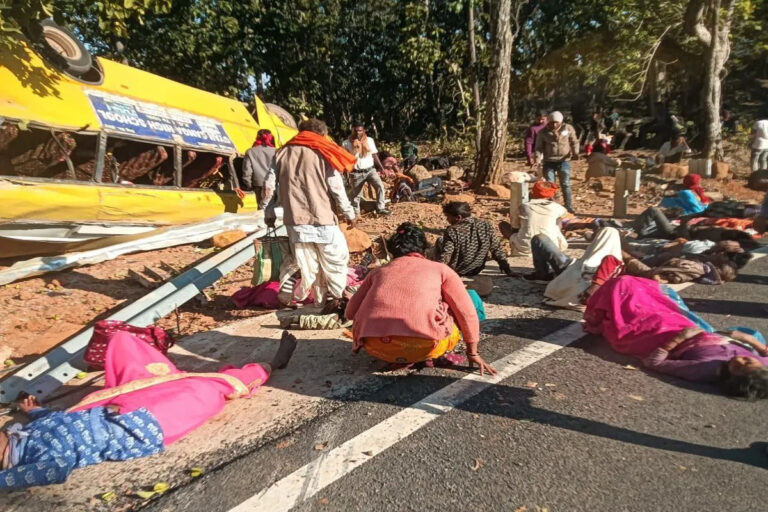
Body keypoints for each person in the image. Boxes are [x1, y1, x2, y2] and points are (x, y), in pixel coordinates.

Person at [0, 330, 298, 488]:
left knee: (121, 341)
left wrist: (35, 411)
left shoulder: (22, 435)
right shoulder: (35, 460)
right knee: (206, 389)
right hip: (142, 424)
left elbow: (57, 423)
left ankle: (165, 364)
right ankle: (269, 366)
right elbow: (56, 471)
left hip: (116, 402)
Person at [346, 223, 496, 375]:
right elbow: (466, 312)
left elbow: (350, 313)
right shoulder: (441, 270)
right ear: (424, 249)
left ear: (391, 252)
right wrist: (472, 353)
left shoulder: (377, 272)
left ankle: (401, 356)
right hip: (427, 347)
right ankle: (429, 354)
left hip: (376, 347)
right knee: (470, 298)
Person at [584, 275, 768, 399]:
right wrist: (750, 340)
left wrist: (678, 339)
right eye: (748, 361)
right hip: (694, 328)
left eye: (737, 368)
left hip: (662, 334)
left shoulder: (704, 369)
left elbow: (654, 363)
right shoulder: (763, 364)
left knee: (625, 286)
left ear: (730, 377)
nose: (740, 360)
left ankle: (598, 309)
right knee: (649, 291)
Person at [264, 118, 357, 308]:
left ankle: (296, 286)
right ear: (321, 134)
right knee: (335, 261)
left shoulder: (281, 152)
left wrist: (268, 211)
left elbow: (269, 187)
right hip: (323, 218)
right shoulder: (323, 150)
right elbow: (336, 187)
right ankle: (334, 298)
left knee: (306, 261)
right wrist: (349, 212)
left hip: (295, 221)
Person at [540, 227, 623, 309]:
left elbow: (593, 285)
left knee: (540, 240)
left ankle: (541, 275)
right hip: (592, 291)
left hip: (577, 282)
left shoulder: (604, 260)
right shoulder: (618, 261)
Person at [436, 201, 512, 276]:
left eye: (448, 216)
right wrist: (507, 269)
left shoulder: (452, 231)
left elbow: (446, 254)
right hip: (476, 270)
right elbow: (496, 249)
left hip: (456, 270)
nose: (447, 219)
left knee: (440, 240)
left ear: (458, 217)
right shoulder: (486, 225)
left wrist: (437, 272)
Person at [534, 111, 580, 213]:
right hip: (549, 161)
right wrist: (537, 160)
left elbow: (574, 141)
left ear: (561, 122)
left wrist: (575, 152)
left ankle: (568, 205)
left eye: (556, 122)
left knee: (565, 184)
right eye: (552, 123)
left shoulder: (568, 129)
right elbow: (538, 148)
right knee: (550, 185)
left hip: (564, 161)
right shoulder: (543, 132)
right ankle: (553, 206)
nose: (554, 125)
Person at [342, 123, 391, 216]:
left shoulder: (369, 140)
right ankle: (356, 214)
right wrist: (345, 173)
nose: (358, 133)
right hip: (356, 173)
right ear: (352, 131)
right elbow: (344, 159)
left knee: (380, 186)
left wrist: (382, 168)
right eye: (356, 131)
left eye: (360, 130)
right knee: (356, 195)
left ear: (364, 131)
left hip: (370, 170)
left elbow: (374, 154)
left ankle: (381, 208)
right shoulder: (346, 143)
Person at [511, 181, 568, 257]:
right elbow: (564, 215)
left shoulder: (524, 207)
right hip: (551, 247)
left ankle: (516, 245)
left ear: (533, 193)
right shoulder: (557, 207)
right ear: (552, 195)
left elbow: (515, 226)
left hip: (525, 248)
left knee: (503, 225)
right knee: (558, 219)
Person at [242, 129, 276, 204]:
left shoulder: (250, 151)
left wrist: (249, 185)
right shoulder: (277, 151)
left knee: (261, 208)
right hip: (274, 185)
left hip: (258, 186)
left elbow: (247, 172)